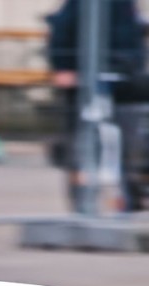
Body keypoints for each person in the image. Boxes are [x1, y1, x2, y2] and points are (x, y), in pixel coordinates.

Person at [46, 0, 149, 211]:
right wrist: (63, 67)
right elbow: (61, 27)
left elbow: (134, 34)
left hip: (125, 75)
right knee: (81, 141)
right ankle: (83, 202)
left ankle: (132, 191)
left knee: (130, 138)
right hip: (88, 77)